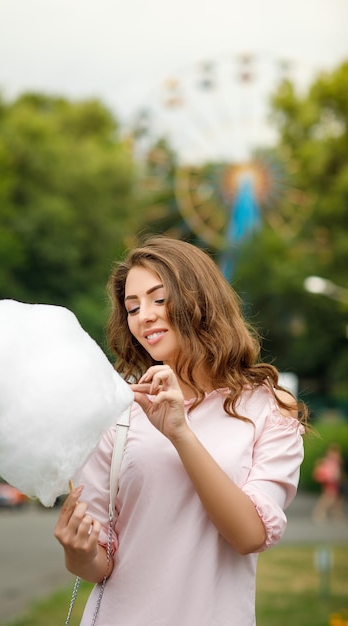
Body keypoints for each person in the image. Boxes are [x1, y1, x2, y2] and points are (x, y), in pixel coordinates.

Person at [54, 236, 308, 626]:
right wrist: (79, 552)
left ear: (200, 300)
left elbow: (249, 535)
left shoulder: (270, 408)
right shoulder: (117, 412)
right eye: (132, 307)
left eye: (159, 299)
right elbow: (99, 565)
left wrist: (180, 433)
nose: (144, 316)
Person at [312, 443, 345, 522]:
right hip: (330, 482)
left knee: (337, 498)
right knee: (329, 498)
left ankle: (336, 513)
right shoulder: (327, 461)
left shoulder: (336, 461)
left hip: (336, 482)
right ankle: (319, 512)